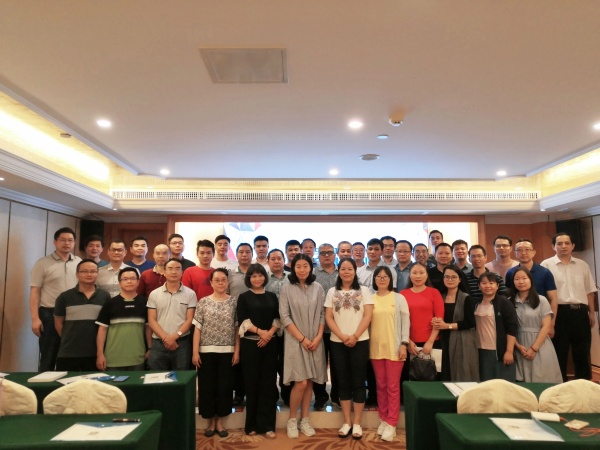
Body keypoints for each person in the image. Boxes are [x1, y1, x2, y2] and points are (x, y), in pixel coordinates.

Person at [325, 258, 373, 440]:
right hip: (338, 342)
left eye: (350, 269)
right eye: (343, 269)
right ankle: (347, 422)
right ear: (339, 271)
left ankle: (357, 422)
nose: (346, 272)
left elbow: (368, 315)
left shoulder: (364, 291)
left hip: (360, 341)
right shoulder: (332, 291)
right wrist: (342, 335)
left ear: (355, 271)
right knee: (343, 381)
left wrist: (355, 336)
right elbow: (328, 317)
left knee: (359, 381)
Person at [279, 254, 326, 439]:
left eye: (305, 266)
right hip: (295, 340)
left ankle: (304, 419)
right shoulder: (286, 288)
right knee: (301, 382)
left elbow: (322, 314)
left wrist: (318, 336)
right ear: (292, 268)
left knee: (310, 381)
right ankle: (292, 419)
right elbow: (284, 317)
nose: (302, 270)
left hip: (315, 339)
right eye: (298, 266)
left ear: (310, 267)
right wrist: (302, 339)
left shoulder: (318, 288)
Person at [541, 232, 597, 381]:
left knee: (583, 351)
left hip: (580, 313)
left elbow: (589, 291)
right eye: (559, 243)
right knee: (559, 352)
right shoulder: (546, 265)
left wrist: (591, 313)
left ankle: (584, 385)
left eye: (567, 243)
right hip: (558, 313)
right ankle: (560, 385)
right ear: (553, 246)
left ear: (573, 246)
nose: (563, 246)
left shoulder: (582, 265)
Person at [192, 268, 239, 438]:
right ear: (211, 282)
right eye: (217, 280)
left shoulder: (234, 302)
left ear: (227, 282)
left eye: (223, 280)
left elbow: (237, 329)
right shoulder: (203, 302)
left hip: (228, 352)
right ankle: (211, 422)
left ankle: (220, 422)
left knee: (224, 388)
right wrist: (195, 352)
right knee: (207, 388)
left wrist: (237, 351)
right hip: (206, 352)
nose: (220, 283)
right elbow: (197, 328)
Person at [237, 264, 280, 439]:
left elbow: (277, 318)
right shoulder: (243, 297)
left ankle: (267, 425)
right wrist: (260, 332)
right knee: (252, 384)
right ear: (249, 278)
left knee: (268, 384)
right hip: (250, 345)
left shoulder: (272, 296)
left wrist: (269, 334)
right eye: (253, 276)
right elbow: (243, 320)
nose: (257, 279)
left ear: (265, 277)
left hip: (270, 344)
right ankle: (251, 425)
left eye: (260, 275)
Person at [29, 227, 81, 371]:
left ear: (74, 243)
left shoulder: (79, 262)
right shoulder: (42, 263)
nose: (67, 243)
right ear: (55, 242)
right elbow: (34, 292)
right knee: (49, 356)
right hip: (49, 314)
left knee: (71, 356)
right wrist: (35, 318)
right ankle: (45, 384)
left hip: (73, 314)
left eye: (70, 240)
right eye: (63, 240)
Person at [370, 265, 410, 442]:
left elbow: (405, 322)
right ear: (374, 280)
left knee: (393, 387)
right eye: (378, 276)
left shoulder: (399, 298)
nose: (382, 279)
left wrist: (404, 344)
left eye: (385, 276)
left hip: (395, 349)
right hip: (375, 348)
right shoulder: (370, 299)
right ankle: (383, 418)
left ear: (390, 279)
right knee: (380, 385)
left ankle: (392, 423)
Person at [54, 259, 110, 371]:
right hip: (68, 353)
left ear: (97, 274)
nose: (89, 274)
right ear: (77, 274)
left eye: (93, 271)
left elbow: (105, 325)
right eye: (84, 271)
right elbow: (58, 324)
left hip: (96, 353)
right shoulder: (64, 297)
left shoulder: (105, 296)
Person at [512, 267, 562, 383]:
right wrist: (518, 346)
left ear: (530, 280)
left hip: (539, 344)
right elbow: (508, 328)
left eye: (524, 278)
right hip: (519, 346)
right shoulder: (510, 301)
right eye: (517, 279)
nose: (521, 282)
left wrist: (534, 348)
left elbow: (546, 326)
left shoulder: (541, 300)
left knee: (543, 379)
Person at [96, 267, 151, 371]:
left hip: (138, 358)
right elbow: (102, 329)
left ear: (138, 282)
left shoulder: (145, 303)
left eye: (133, 278)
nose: (129, 281)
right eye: (125, 279)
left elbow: (148, 328)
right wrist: (100, 354)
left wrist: (150, 348)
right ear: (119, 283)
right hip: (112, 359)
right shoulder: (110, 303)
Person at [147, 258, 197, 370]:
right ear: (164, 272)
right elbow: (151, 320)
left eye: (177, 269)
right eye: (170, 269)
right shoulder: (154, 294)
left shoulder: (190, 294)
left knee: (181, 377)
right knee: (157, 377)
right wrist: (166, 338)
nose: (174, 272)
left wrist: (174, 336)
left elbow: (190, 320)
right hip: (159, 343)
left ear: (182, 272)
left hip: (181, 343)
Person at [432, 265, 479, 382]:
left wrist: (447, 326)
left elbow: (470, 323)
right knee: (444, 370)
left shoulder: (466, 298)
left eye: (453, 277)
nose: (450, 279)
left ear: (460, 279)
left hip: (462, 340)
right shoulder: (439, 296)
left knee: (462, 370)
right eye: (446, 277)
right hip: (442, 339)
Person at [506, 239, 558, 336]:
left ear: (534, 252)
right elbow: (509, 296)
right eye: (519, 250)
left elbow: (553, 299)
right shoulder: (511, 273)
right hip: (518, 318)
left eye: (527, 249)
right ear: (515, 253)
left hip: (540, 317)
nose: (523, 253)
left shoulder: (545, 272)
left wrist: (551, 324)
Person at [474, 272, 518, 381]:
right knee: (484, 383)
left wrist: (509, 351)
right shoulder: (476, 303)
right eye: (484, 283)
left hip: (499, 351)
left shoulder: (504, 302)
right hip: (479, 350)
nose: (488, 286)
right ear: (479, 286)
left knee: (502, 383)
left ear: (497, 286)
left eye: (491, 283)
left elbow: (512, 328)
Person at [401, 263, 444, 374]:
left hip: (431, 342)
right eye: (414, 273)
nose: (418, 276)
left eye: (421, 273)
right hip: (408, 343)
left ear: (427, 275)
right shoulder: (402, 294)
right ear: (410, 275)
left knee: (430, 376)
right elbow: (399, 321)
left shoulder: (434, 293)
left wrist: (430, 342)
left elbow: (439, 320)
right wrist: (408, 342)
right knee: (409, 376)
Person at [313, 243, 339, 410]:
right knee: (319, 364)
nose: (326, 255)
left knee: (338, 364)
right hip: (319, 327)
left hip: (339, 328)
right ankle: (320, 396)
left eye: (330, 252)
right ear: (319, 255)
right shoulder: (313, 274)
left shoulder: (343, 272)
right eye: (323, 253)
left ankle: (337, 396)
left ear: (335, 254)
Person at [265, 249, 291, 406]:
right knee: (271, 363)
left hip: (290, 328)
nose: (276, 261)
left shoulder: (292, 278)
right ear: (268, 261)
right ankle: (272, 394)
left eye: (279, 258)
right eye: (273, 259)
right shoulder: (263, 280)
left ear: (283, 260)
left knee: (287, 362)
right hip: (270, 328)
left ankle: (288, 394)